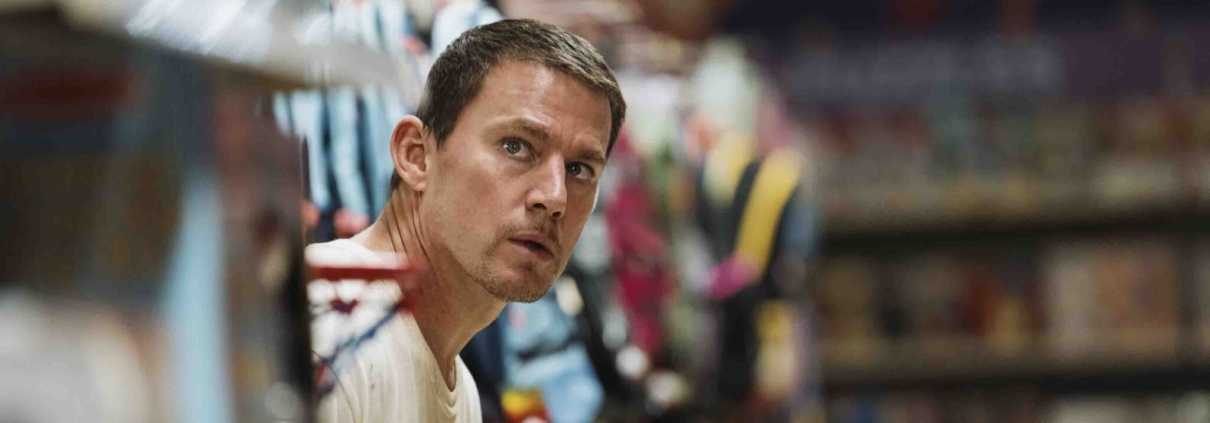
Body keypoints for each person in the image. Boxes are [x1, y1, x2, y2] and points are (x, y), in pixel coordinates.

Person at [307, 19, 626, 423]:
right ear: (416, 155)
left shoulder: (456, 381)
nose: (555, 197)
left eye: (579, 169)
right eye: (516, 146)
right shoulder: (331, 336)